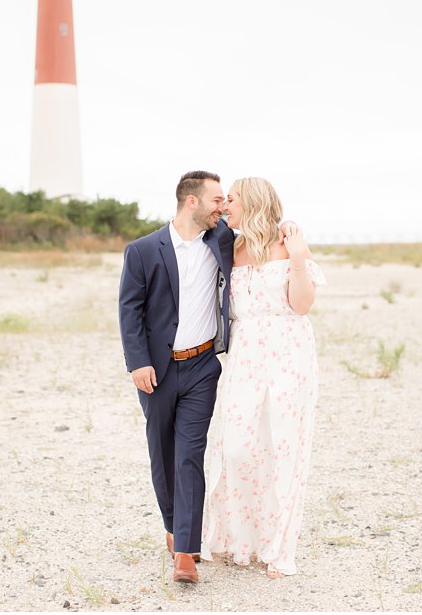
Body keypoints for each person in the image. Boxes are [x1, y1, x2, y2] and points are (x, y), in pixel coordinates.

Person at [200, 178, 322, 577]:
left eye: (231, 199)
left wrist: (299, 258)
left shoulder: (289, 244)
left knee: (284, 448)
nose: (225, 205)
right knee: (235, 447)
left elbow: (302, 306)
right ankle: (240, 539)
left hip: (289, 353)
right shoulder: (229, 245)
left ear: (250, 202)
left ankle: (278, 547)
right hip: (246, 356)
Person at [118, 172, 235, 585]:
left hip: (203, 366)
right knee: (162, 453)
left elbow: (257, 233)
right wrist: (138, 362)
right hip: (158, 370)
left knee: (190, 454)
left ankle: (185, 550)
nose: (222, 207)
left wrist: (286, 231)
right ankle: (173, 525)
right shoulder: (144, 250)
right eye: (217, 200)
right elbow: (129, 310)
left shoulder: (221, 241)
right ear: (191, 201)